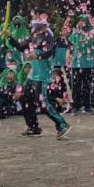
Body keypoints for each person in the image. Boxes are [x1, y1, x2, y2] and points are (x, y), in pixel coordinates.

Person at [10, 10, 71, 139]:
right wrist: (9, 38)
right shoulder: (34, 35)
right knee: (25, 99)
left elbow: (48, 52)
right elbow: (22, 47)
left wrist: (36, 55)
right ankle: (33, 127)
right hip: (33, 75)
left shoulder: (48, 35)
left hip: (43, 76)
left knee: (42, 102)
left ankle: (62, 124)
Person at [68, 14, 94, 115]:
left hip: (88, 63)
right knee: (76, 86)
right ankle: (76, 107)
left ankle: (87, 106)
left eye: (83, 20)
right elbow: (70, 44)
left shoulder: (93, 34)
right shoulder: (76, 33)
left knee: (87, 86)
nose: (81, 22)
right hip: (76, 64)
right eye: (79, 20)